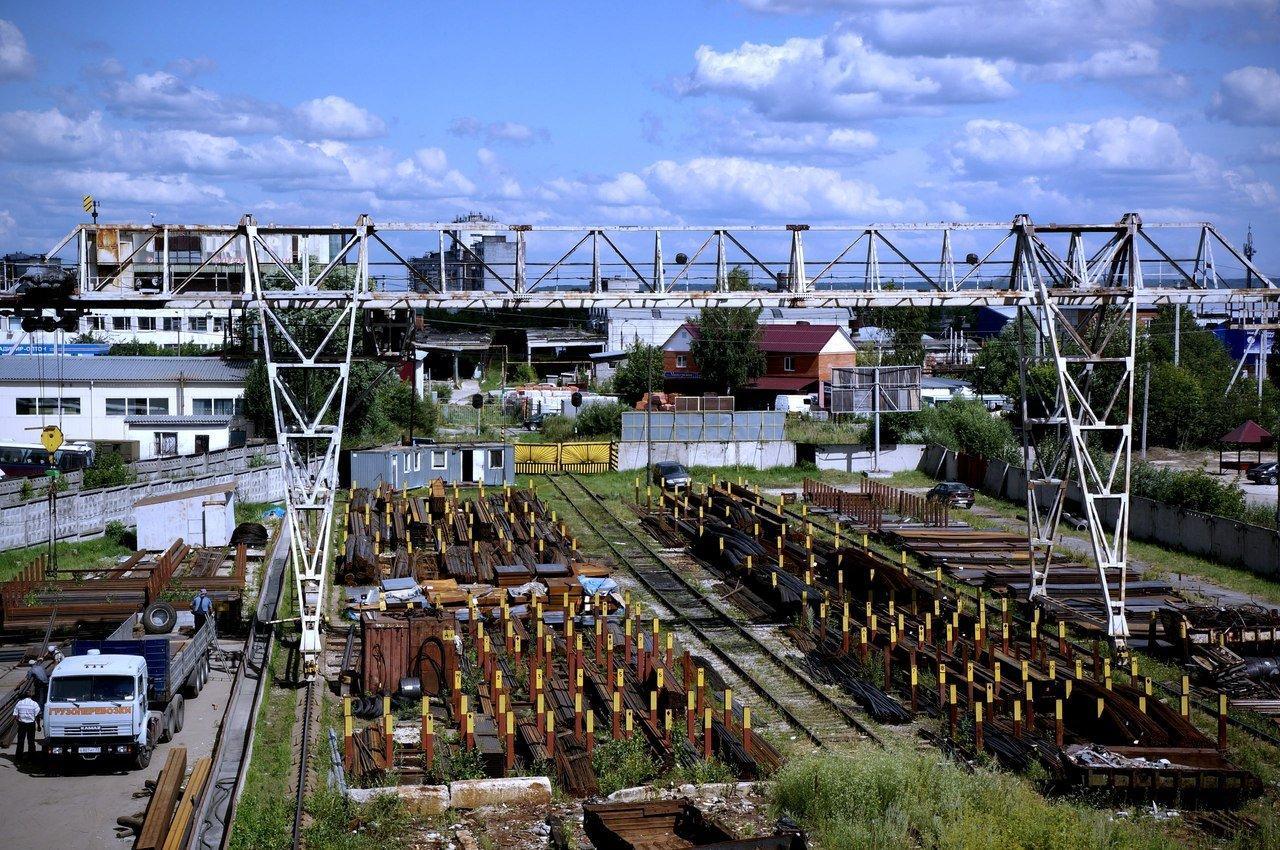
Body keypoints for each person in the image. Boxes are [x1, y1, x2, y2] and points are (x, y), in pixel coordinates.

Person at [12, 694, 39, 762]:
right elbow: (37, 715)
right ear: (31, 697)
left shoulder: (19, 703)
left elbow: (15, 715)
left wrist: (18, 723)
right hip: (31, 724)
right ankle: (32, 757)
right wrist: (38, 725)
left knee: (20, 741)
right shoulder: (34, 704)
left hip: (22, 724)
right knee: (31, 741)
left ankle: (19, 757)